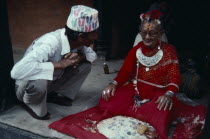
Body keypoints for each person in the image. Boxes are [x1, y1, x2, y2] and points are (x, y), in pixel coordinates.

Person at [49, 10, 206, 139]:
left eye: (153, 33)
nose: (147, 37)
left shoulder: (169, 50)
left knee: (161, 112)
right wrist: (114, 83)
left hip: (159, 93)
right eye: (144, 33)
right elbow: (124, 72)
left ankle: (146, 115)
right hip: (136, 90)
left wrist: (169, 94)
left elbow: (175, 78)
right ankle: (139, 113)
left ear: (161, 33)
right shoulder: (136, 49)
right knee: (107, 100)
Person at [10, 5, 99, 120]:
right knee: (39, 77)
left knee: (85, 65)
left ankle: (52, 94)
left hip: (50, 83)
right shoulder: (50, 43)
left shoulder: (76, 42)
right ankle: (31, 103)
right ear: (81, 36)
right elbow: (17, 71)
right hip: (26, 87)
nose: (96, 37)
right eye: (95, 33)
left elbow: (93, 55)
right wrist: (61, 64)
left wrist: (80, 57)